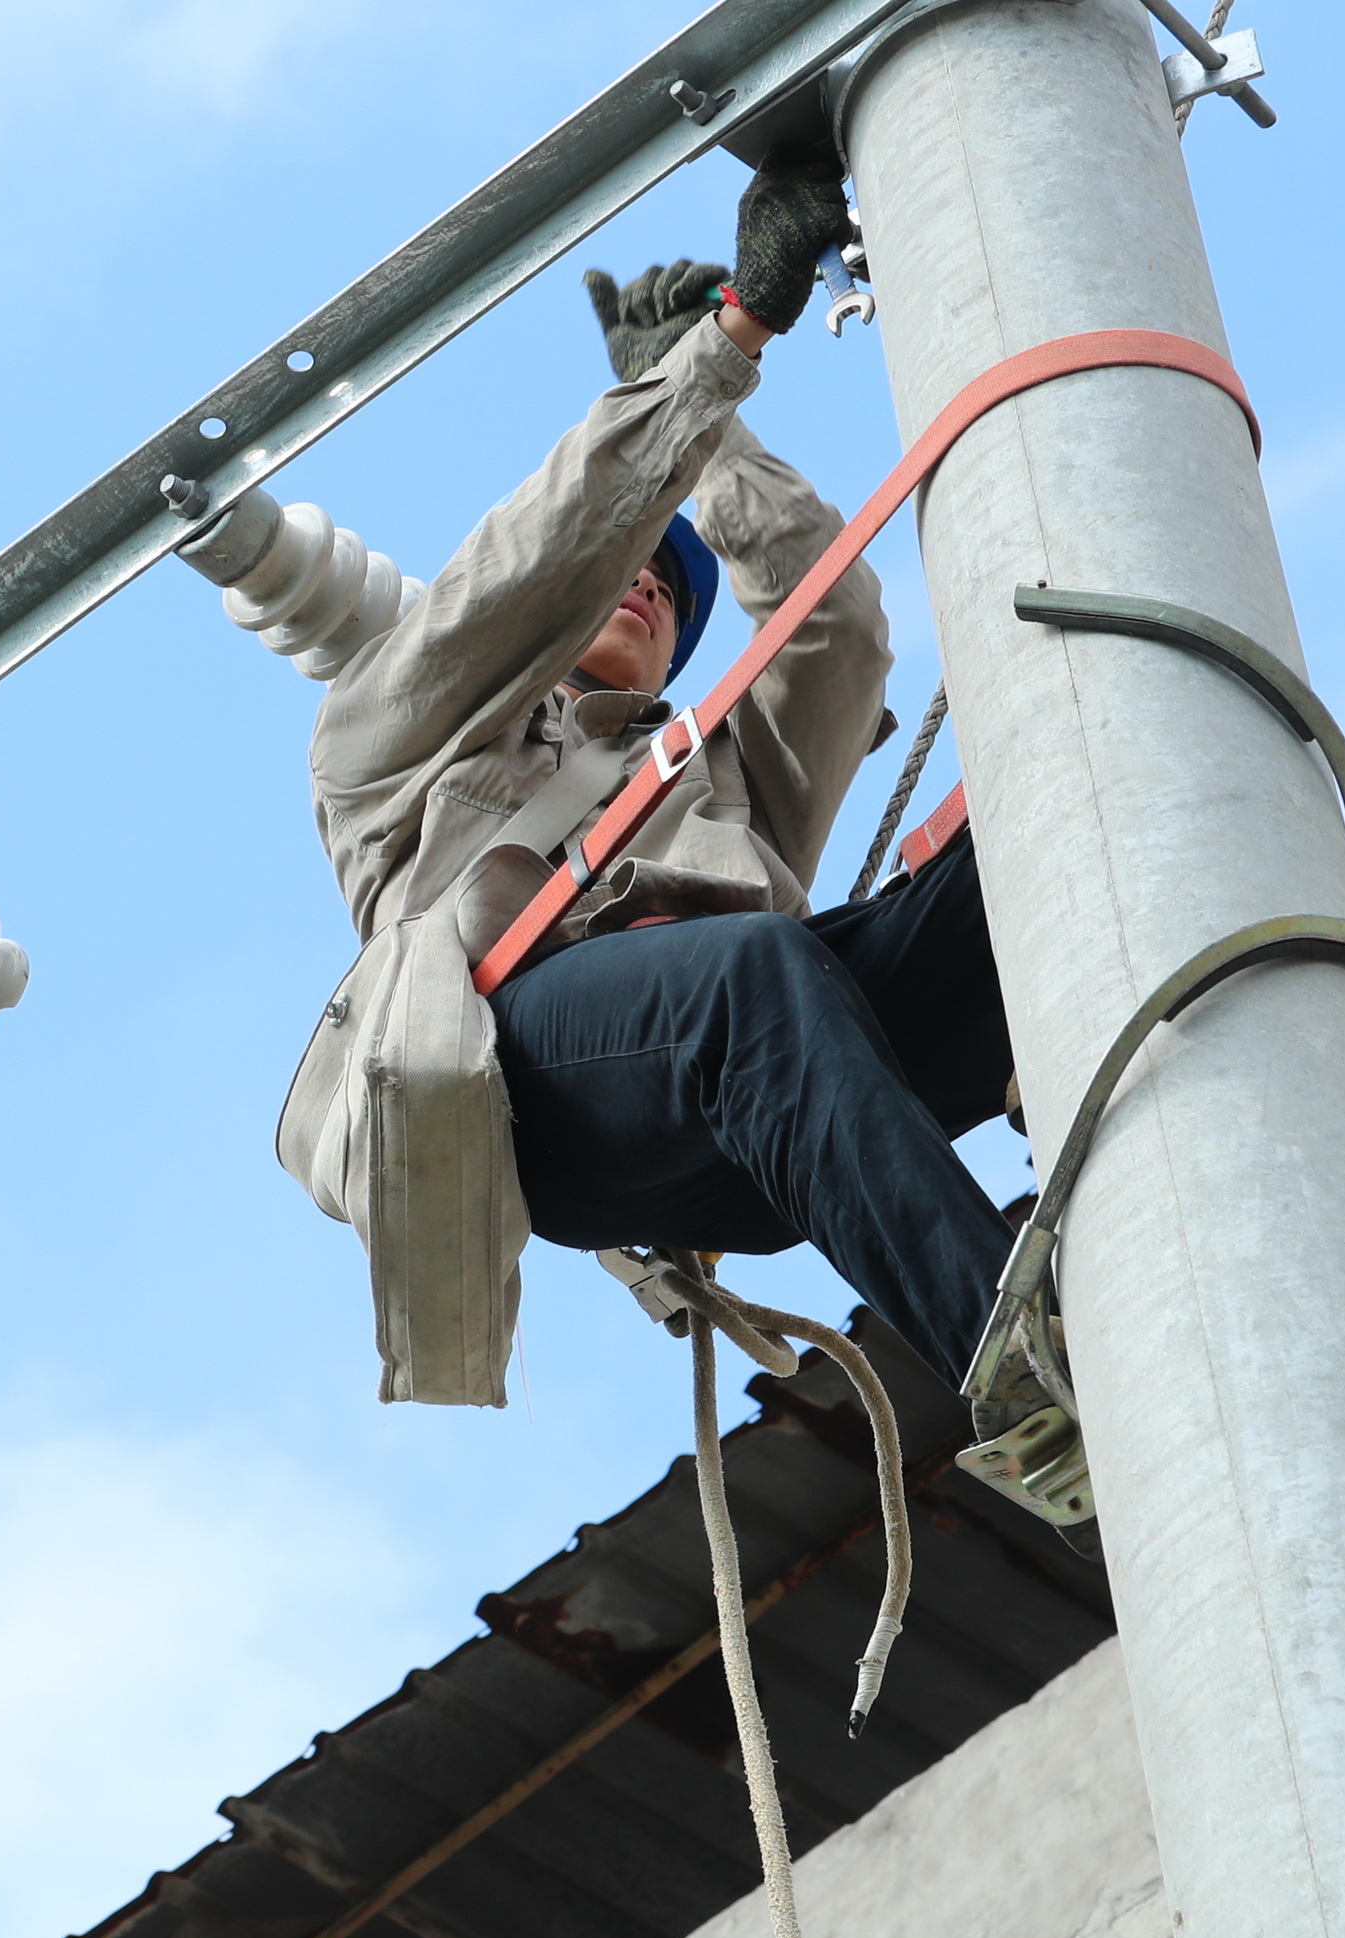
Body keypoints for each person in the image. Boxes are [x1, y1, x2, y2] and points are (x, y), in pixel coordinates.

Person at [283, 153, 1070, 1511]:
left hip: (772, 1099)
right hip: (532, 1092)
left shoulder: (706, 782)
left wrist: (715, 439)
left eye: (672, 588)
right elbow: (541, 562)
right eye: (631, 576)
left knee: (1040, 851)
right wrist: (721, 351)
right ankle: (1027, 1381)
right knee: (755, 977)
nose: (647, 591)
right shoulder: (396, 744)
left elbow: (834, 631)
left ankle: (1126, 1180)